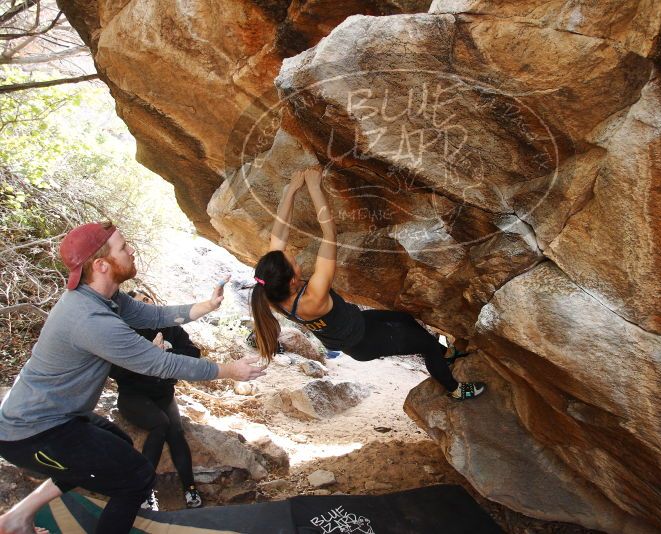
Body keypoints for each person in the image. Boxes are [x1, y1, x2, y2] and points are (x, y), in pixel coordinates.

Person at [0, 222, 266, 534]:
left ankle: (17, 517)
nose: (131, 250)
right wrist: (228, 370)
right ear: (101, 265)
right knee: (135, 478)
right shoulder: (91, 319)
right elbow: (160, 364)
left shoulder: (106, 298)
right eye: (123, 247)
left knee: (119, 445)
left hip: (60, 418)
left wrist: (206, 306)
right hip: (33, 432)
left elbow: (154, 316)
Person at [250, 167, 486, 401]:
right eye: (294, 261)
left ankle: (447, 354)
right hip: (365, 342)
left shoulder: (271, 289)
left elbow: (278, 235)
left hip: (356, 326)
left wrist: (291, 189)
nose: (291, 254)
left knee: (404, 319)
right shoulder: (314, 295)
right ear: (292, 279)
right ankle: (454, 388)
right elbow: (329, 233)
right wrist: (314, 187)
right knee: (428, 346)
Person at [108, 289, 204, 510]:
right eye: (138, 302)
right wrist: (147, 355)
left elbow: (194, 354)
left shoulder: (170, 327)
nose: (145, 303)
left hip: (163, 393)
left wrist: (167, 353)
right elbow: (115, 371)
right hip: (134, 395)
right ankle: (145, 491)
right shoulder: (125, 331)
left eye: (147, 299)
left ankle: (190, 489)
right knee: (160, 424)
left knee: (176, 434)